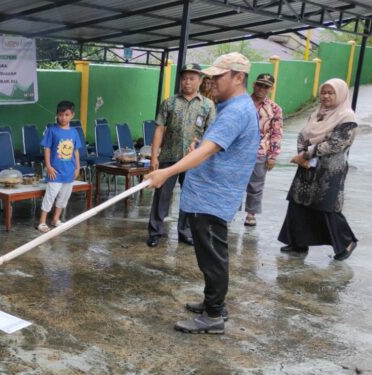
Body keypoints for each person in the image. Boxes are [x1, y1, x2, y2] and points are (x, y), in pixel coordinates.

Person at [146, 52, 259, 334]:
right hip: (210, 193)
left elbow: (209, 150)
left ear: (238, 77)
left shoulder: (235, 111)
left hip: (212, 197)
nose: (212, 82)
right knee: (210, 255)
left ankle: (213, 317)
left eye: (219, 77)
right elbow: (210, 148)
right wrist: (195, 152)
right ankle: (215, 305)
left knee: (212, 257)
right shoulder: (233, 106)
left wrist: (166, 172)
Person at [278, 78, 358, 261]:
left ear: (341, 94)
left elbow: (335, 144)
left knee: (326, 207)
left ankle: (347, 243)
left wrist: (306, 154)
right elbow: (303, 135)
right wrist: (302, 153)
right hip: (307, 167)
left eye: (331, 93)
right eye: (324, 92)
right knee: (298, 203)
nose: (326, 96)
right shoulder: (317, 114)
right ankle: (298, 243)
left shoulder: (347, 118)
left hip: (329, 170)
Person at [147, 63, 216, 248]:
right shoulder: (169, 102)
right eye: (184, 78)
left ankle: (185, 232)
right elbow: (160, 129)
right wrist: (154, 157)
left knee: (189, 197)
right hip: (169, 157)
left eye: (192, 78)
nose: (187, 82)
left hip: (193, 161)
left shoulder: (208, 105)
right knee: (162, 196)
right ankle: (155, 231)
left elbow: (211, 134)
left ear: (200, 81)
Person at [244, 73, 283, 226]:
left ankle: (251, 214)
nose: (261, 89)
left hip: (260, 151)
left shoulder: (274, 108)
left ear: (270, 89)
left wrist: (273, 155)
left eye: (266, 87)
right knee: (234, 181)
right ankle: (230, 210)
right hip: (238, 150)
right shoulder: (242, 102)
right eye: (259, 85)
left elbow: (276, 133)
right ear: (254, 85)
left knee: (256, 184)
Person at [36, 100, 81, 233]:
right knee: (50, 196)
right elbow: (47, 149)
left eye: (66, 115)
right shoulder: (52, 130)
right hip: (55, 171)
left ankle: (55, 219)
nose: (63, 118)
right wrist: (48, 166)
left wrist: (77, 167)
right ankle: (42, 222)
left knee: (64, 197)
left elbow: (76, 151)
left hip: (69, 172)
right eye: (60, 115)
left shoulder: (74, 132)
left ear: (72, 115)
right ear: (57, 115)